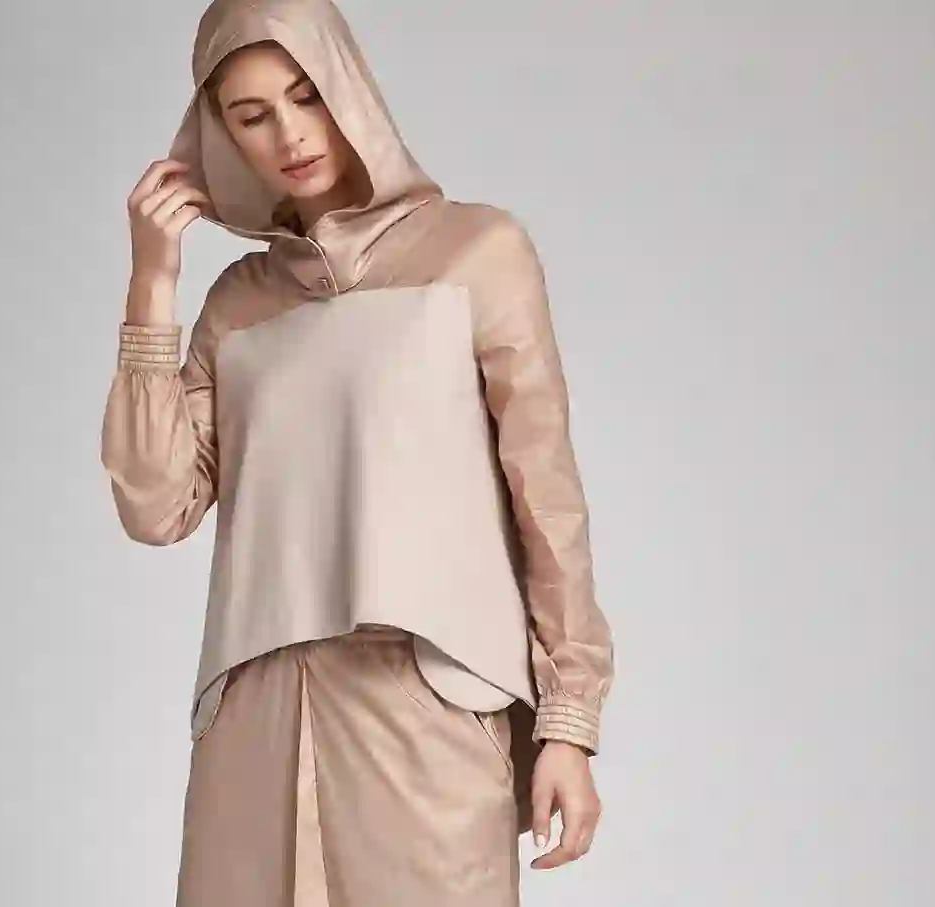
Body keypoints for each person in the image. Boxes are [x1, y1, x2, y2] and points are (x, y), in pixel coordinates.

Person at [100, 0, 615, 903]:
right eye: (251, 116)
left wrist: (569, 722)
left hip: (423, 706)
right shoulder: (237, 306)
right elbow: (155, 506)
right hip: (257, 719)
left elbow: (547, 497)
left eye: (306, 95)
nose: (288, 134)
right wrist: (153, 283)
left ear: (348, 84)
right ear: (222, 135)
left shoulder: (477, 253)